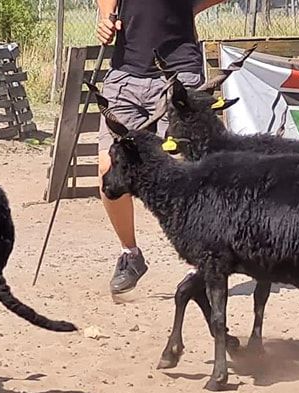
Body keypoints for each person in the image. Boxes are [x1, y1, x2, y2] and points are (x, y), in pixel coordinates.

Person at [96, 0, 226, 295]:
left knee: (191, 173)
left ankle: (203, 261)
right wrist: (106, 16)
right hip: (125, 75)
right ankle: (130, 255)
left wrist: (191, 7)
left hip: (179, 74)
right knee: (107, 170)